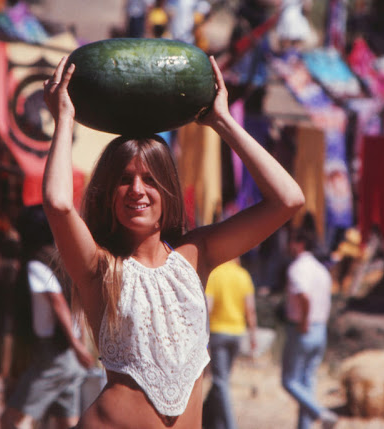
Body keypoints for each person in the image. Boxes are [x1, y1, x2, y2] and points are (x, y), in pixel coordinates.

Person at [42, 54, 304, 428]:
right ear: (107, 194)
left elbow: (288, 200)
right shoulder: (99, 266)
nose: (137, 190)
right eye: (124, 179)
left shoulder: (197, 255)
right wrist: (64, 120)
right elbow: (57, 202)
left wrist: (221, 121)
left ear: (169, 190)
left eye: (150, 179)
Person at [0, 205, 95, 429]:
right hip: (70, 359)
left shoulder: (36, 263)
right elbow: (74, 303)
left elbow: (58, 303)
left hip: (54, 357)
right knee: (67, 422)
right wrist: (80, 345)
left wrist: (76, 345)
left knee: (12, 420)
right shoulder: (60, 259)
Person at [281, 228, 338, 429]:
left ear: (299, 244)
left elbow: (304, 296)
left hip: (303, 328)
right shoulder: (322, 270)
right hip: (320, 328)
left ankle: (321, 412)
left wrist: (304, 320)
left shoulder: (298, 268)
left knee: (289, 381)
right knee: (307, 382)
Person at [202, 258, 258, 429]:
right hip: (237, 333)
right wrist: (253, 335)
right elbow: (250, 308)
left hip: (219, 333)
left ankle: (229, 425)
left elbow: (208, 307)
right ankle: (207, 420)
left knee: (220, 381)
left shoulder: (215, 274)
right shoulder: (243, 275)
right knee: (222, 380)